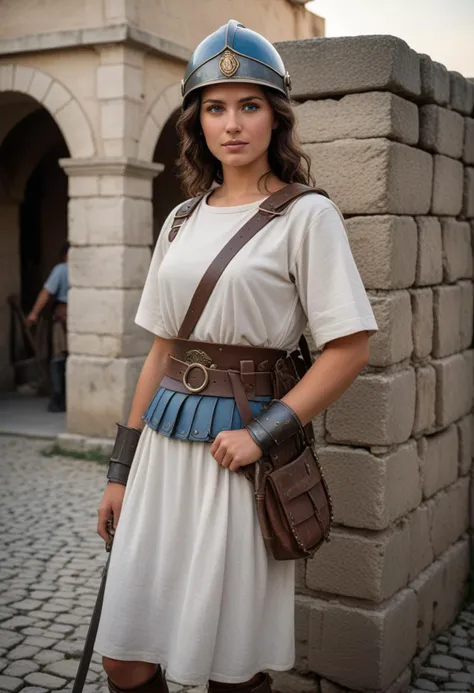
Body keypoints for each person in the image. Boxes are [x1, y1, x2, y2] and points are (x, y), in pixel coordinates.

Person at [93, 19, 378, 693]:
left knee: (230, 659)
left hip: (240, 458)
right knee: (125, 655)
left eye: (249, 105)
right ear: (199, 121)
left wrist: (262, 434)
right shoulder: (181, 219)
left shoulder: (307, 216)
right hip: (164, 450)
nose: (233, 123)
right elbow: (161, 348)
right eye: (216, 108)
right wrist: (119, 469)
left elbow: (350, 347)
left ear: (275, 118)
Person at [26, 241, 69, 412]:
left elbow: (47, 292)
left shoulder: (61, 269)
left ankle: (59, 398)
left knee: (59, 358)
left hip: (63, 318)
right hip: (76, 318)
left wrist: (34, 313)